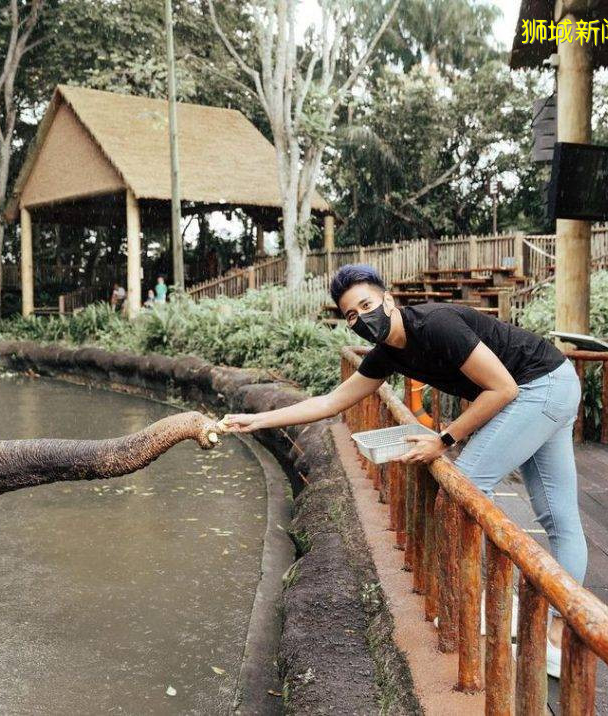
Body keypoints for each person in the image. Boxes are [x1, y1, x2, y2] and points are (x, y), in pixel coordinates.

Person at [219, 264, 584, 679]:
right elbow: (330, 402)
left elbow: (503, 389)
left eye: (366, 305)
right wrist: (256, 421)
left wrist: (443, 440)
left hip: (539, 387)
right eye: (351, 315)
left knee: (461, 490)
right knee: (557, 515)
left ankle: (490, 609)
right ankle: (552, 629)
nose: (360, 318)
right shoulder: (389, 353)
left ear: (389, 300)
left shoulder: (435, 325)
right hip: (555, 381)